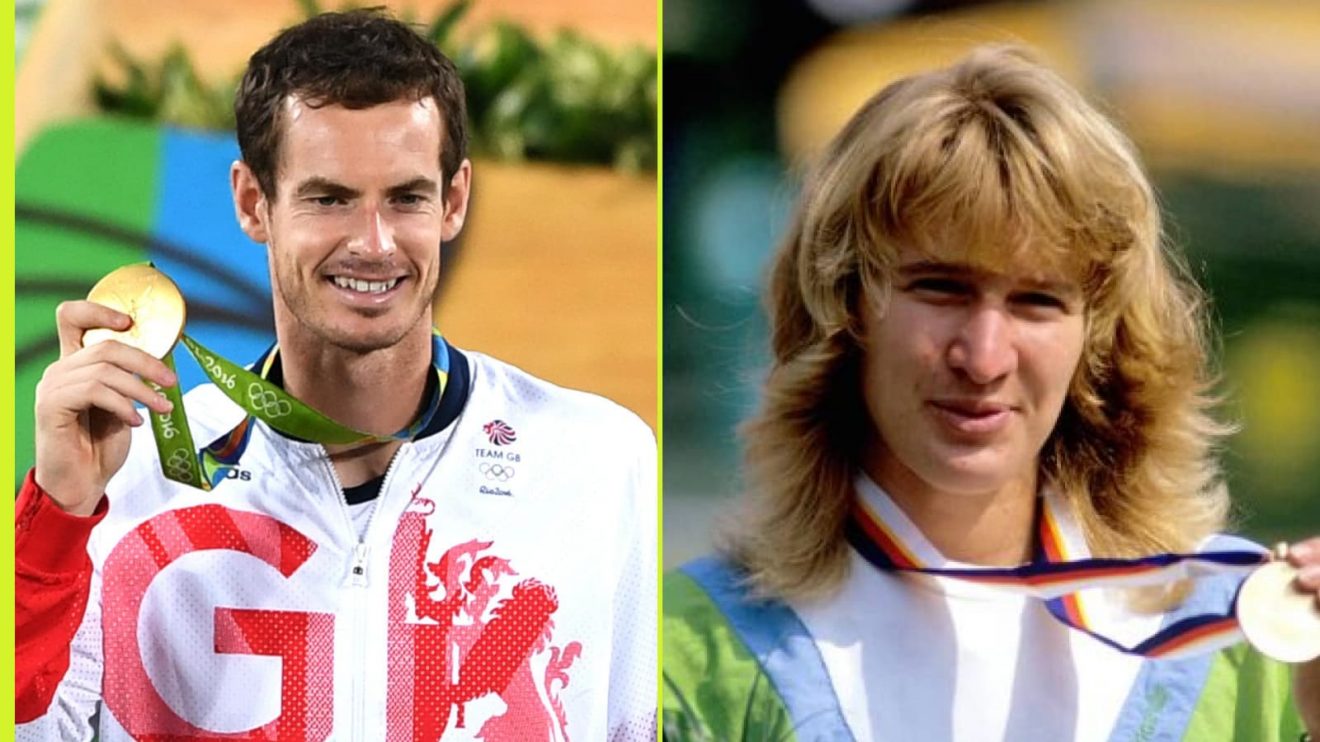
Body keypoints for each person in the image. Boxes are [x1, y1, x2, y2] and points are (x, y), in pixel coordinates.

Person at [16, 10, 656, 740]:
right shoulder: (127, 475)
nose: (374, 243)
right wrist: (58, 514)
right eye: (330, 198)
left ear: (454, 201)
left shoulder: (598, 464)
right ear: (254, 202)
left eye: (407, 197)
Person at [662, 45, 1318, 741]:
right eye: (939, 288)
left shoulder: (1240, 639)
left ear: (1099, 340)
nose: (983, 357)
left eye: (1038, 301)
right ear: (844, 306)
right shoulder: (682, 655)